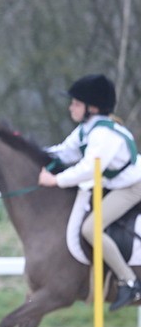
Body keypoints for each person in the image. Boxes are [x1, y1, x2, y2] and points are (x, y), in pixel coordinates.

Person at [39, 73, 141, 310]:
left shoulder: (104, 135)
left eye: (75, 103)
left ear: (92, 108)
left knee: (90, 228)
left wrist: (56, 180)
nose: (70, 107)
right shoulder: (87, 129)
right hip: (116, 184)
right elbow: (64, 152)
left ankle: (129, 281)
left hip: (133, 187)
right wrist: (32, 153)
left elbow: (87, 170)